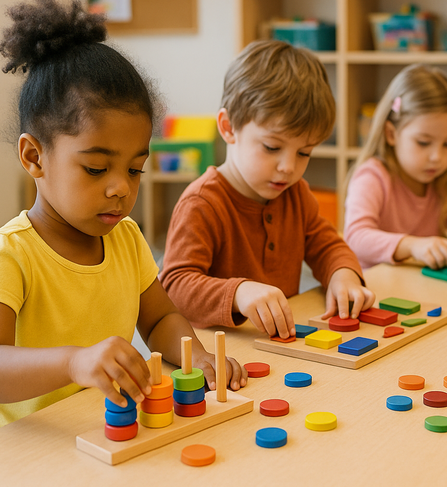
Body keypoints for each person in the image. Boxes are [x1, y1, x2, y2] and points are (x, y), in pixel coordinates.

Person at [0, 0, 245, 445]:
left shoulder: (126, 239)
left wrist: (195, 354)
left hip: (93, 435)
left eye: (134, 169)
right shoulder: (8, 254)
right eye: (96, 168)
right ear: (34, 156)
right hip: (12, 450)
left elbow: (159, 320)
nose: (120, 188)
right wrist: (73, 361)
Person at [160, 40, 374, 340]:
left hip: (278, 345)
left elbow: (327, 246)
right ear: (229, 127)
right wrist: (238, 292)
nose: (288, 167)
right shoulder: (202, 203)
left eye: (304, 152)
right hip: (218, 356)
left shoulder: (296, 194)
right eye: (272, 147)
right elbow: (175, 287)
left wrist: (343, 275)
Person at [343, 64, 447, 270]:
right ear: (391, 134)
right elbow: (356, 238)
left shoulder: (441, 184)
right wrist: (412, 245)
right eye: (423, 143)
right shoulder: (373, 177)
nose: (437, 157)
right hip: (375, 291)